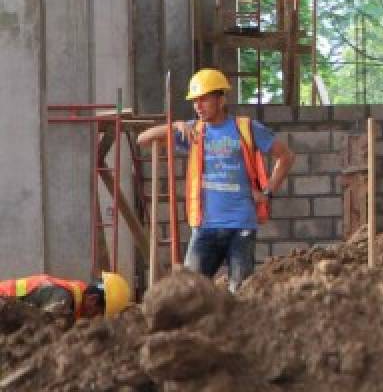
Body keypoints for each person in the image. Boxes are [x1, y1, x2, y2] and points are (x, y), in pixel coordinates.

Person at [138, 68, 295, 291]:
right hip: (205, 227)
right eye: (195, 101)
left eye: (203, 100)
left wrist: (268, 192)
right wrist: (174, 125)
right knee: (188, 292)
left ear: (221, 100)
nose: (198, 106)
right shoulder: (193, 132)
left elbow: (286, 156)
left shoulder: (246, 128)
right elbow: (142, 139)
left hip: (241, 225)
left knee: (240, 292)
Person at [0, 271, 131, 322]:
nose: (94, 319)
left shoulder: (71, 298)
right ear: (93, 299)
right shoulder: (63, 299)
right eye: (98, 313)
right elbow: (41, 332)